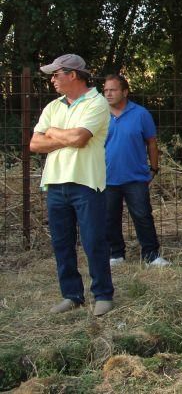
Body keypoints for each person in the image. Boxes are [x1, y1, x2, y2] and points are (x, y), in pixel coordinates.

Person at [30, 54, 114, 316]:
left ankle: (102, 295)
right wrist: (61, 136)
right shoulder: (53, 106)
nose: (52, 79)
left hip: (86, 183)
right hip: (55, 184)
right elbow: (34, 143)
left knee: (93, 241)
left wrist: (53, 132)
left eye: (56, 74)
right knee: (62, 243)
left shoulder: (97, 103)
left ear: (73, 75)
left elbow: (80, 138)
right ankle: (72, 295)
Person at [102, 74, 170, 267]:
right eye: (105, 90)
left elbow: (151, 142)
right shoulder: (98, 114)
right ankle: (116, 254)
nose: (108, 94)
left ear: (125, 92)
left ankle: (151, 255)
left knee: (142, 216)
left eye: (113, 90)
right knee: (109, 217)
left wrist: (153, 169)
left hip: (136, 177)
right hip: (106, 177)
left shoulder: (140, 114)